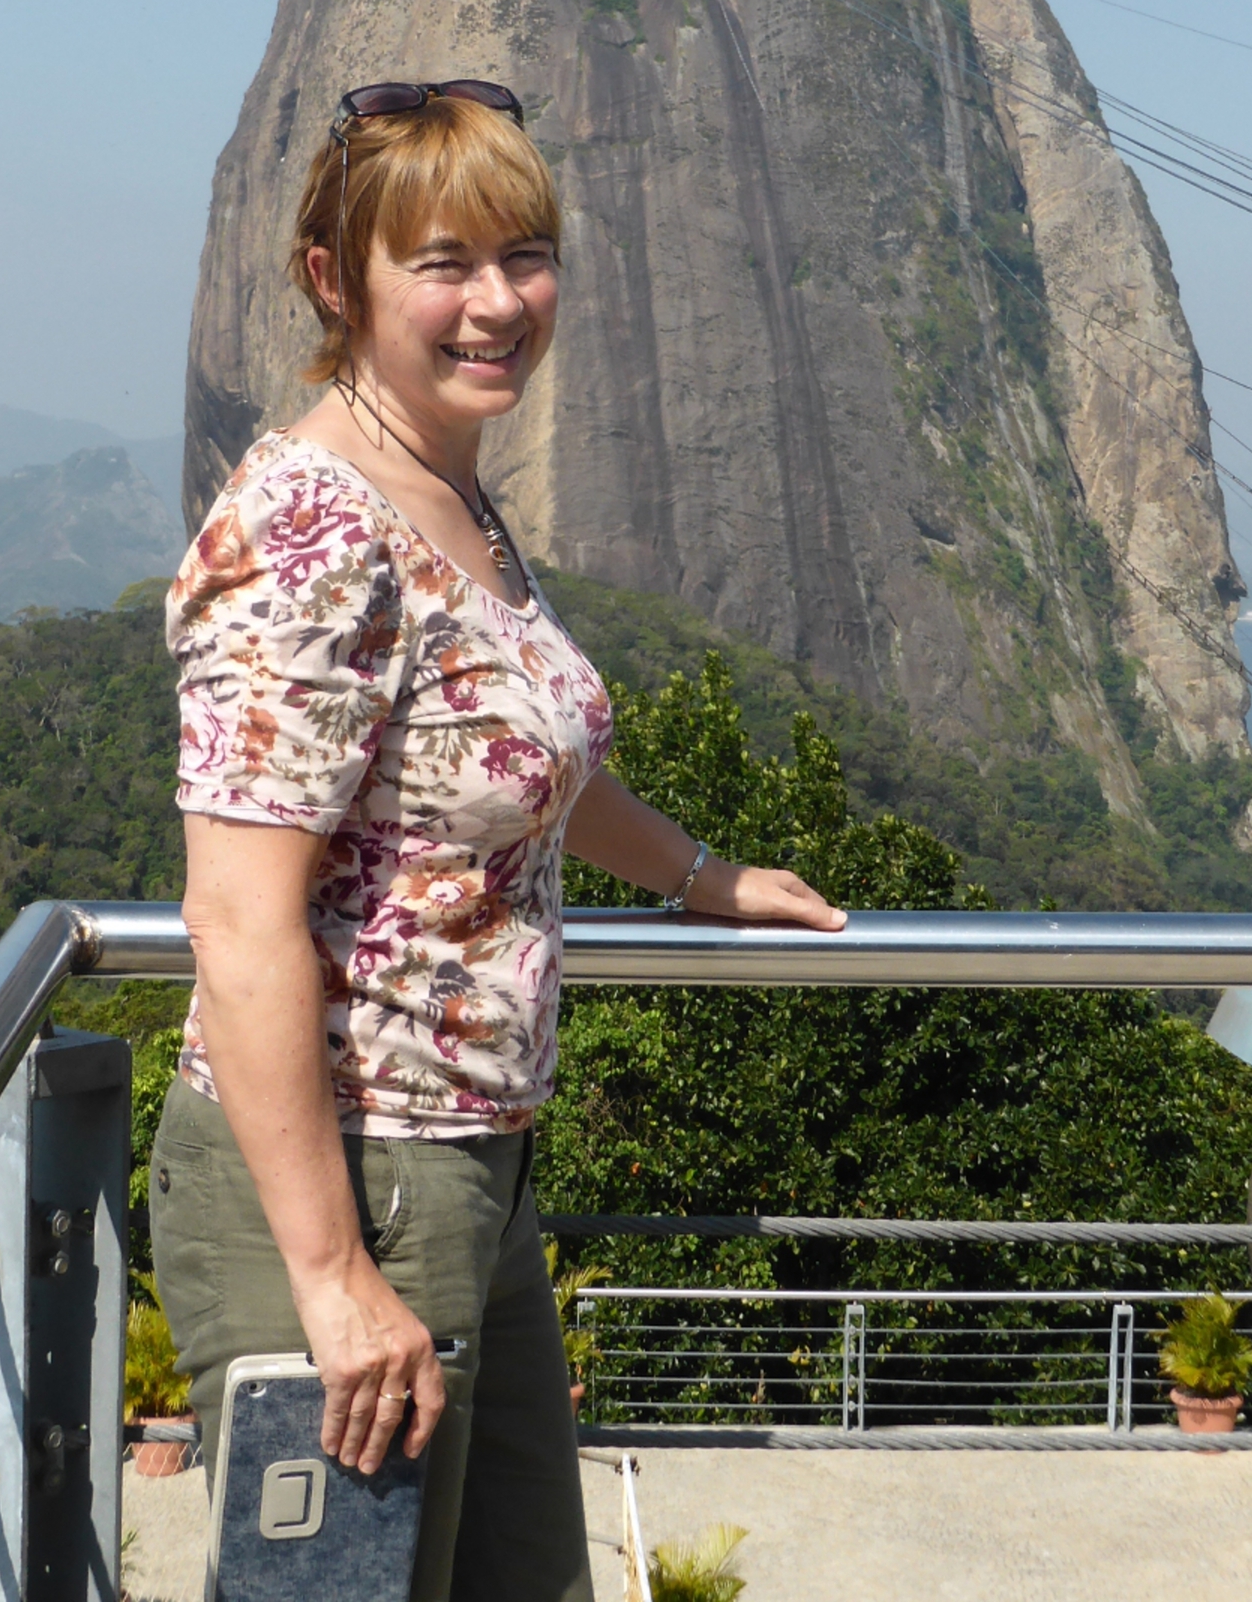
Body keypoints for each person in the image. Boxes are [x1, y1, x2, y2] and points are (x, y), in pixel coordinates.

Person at [155, 80, 845, 1601]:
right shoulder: (310, 535)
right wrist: (331, 1280)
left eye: (525, 256)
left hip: (473, 1166)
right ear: (337, 282)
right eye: (446, 263)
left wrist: (699, 875)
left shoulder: (448, 492)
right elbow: (239, 922)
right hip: (345, 1180)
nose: (497, 303)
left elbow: (517, 761)